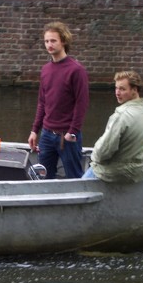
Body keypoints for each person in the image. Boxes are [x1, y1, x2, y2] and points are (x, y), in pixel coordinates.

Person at [27, 22, 89, 179]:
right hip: (47, 135)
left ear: (64, 41)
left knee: (74, 177)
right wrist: (35, 130)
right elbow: (42, 102)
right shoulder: (46, 69)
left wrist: (72, 131)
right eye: (47, 41)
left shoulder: (76, 70)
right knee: (43, 178)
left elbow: (81, 104)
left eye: (53, 41)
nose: (49, 45)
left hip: (67, 136)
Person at [83, 71, 143, 183]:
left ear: (134, 90)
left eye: (122, 89)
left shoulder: (121, 115)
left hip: (118, 173)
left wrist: (94, 159)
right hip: (140, 170)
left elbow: (103, 152)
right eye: (116, 88)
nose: (117, 92)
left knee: (95, 164)